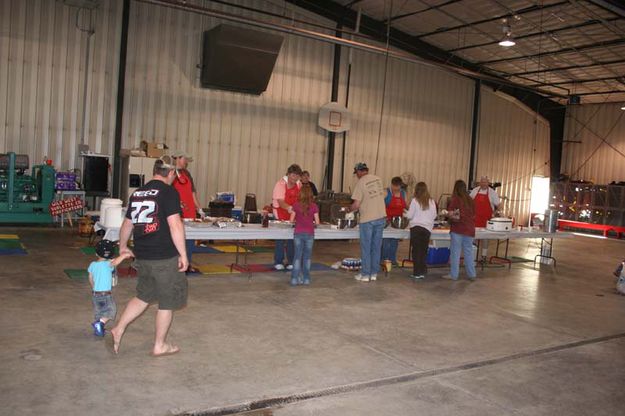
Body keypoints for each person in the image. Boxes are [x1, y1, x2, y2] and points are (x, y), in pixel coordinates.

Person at [111, 157, 189, 357]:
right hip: (163, 256)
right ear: (171, 173)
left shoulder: (137, 193)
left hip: (143, 255)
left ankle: (119, 327)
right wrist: (183, 254)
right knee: (167, 302)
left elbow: (127, 224)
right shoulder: (168, 192)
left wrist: (122, 247)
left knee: (143, 296)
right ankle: (159, 345)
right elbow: (175, 225)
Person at [349, 162, 386, 282]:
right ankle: (374, 273)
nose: (357, 175)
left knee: (366, 247)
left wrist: (349, 209)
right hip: (381, 217)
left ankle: (365, 274)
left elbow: (356, 204)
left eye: (357, 173)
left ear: (359, 172)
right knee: (376, 247)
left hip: (368, 219)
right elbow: (382, 196)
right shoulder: (378, 179)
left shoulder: (360, 182)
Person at [171, 150, 205, 274]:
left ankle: (188, 264)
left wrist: (199, 208)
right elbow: (168, 191)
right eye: (185, 159)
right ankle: (176, 264)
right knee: (177, 237)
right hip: (176, 212)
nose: (186, 162)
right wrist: (177, 203)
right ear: (178, 158)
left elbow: (192, 193)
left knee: (190, 239)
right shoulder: (170, 172)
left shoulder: (187, 173)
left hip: (190, 212)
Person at [88, 239, 131, 337]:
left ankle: (99, 329)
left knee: (99, 312)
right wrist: (124, 256)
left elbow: (90, 277)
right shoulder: (108, 264)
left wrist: (94, 287)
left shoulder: (93, 265)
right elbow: (115, 262)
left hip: (95, 294)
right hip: (106, 295)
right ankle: (100, 323)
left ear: (96, 253)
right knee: (111, 311)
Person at [272, 164, 303, 271]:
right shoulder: (280, 184)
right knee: (280, 239)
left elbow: (301, 200)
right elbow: (280, 202)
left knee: (292, 239)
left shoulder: (299, 185)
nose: (295, 178)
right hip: (280, 213)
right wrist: (289, 208)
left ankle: (291, 261)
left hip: (292, 215)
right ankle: (278, 261)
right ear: (288, 174)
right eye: (293, 175)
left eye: (297, 176)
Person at [445, 179, 477, 281]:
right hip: (470, 229)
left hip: (458, 229)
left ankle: (454, 275)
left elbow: (450, 213)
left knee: (455, 253)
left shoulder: (455, 199)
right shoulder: (470, 200)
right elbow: (473, 215)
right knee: (468, 252)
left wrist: (446, 214)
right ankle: (472, 274)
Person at [405, 182, 437, 280]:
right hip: (427, 229)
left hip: (416, 228)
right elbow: (434, 215)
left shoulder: (415, 201)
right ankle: (422, 271)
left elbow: (410, 216)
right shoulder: (431, 201)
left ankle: (416, 273)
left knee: (416, 252)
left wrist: (405, 214)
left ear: (416, 190)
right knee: (423, 251)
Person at [289, 185, 320, 286]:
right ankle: (306, 279)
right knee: (307, 258)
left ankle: (294, 279)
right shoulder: (314, 206)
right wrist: (313, 224)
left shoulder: (296, 205)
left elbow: (291, 220)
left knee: (297, 257)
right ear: (311, 195)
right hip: (310, 234)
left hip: (298, 233)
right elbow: (317, 222)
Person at [470, 176, 500, 260]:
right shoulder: (475, 190)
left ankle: (483, 256)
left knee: (485, 238)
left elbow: (498, 205)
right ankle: (473, 256)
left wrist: (496, 213)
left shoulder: (492, 193)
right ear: (480, 183)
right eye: (482, 182)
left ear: (488, 183)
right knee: (474, 237)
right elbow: (469, 201)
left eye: (485, 182)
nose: (483, 184)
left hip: (486, 220)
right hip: (475, 219)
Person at [381, 176, 408, 265]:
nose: (396, 189)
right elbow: (380, 205)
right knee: (385, 242)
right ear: (391, 185)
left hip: (397, 222)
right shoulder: (386, 192)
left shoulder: (403, 193)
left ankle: (392, 260)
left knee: (394, 242)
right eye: (395, 186)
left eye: (398, 187)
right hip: (387, 222)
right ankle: (383, 260)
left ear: (400, 186)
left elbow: (406, 206)